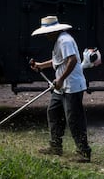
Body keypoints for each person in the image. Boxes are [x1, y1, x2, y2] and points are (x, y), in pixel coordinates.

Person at [30, 16, 91, 163]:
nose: (45, 35)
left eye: (47, 32)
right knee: (53, 112)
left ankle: (84, 153)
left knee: (74, 119)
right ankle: (55, 146)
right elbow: (58, 60)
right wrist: (40, 65)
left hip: (72, 86)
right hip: (61, 87)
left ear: (54, 31)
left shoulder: (65, 40)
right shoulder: (59, 40)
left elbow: (72, 60)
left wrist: (61, 79)